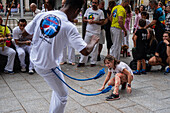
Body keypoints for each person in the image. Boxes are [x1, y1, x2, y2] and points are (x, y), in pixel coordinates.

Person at [22, 0, 99, 112]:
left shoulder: (42, 15)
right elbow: (86, 51)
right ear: (77, 11)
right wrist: (93, 41)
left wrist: (42, 38)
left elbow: (25, 33)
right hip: (47, 66)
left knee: (57, 90)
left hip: (37, 59)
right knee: (62, 96)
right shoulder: (68, 26)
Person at [77, 0, 104, 67]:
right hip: (88, 31)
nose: (94, 4)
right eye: (93, 2)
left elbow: (102, 22)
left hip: (96, 32)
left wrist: (95, 22)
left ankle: (93, 62)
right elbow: (84, 19)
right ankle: (82, 61)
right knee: (85, 46)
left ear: (98, 4)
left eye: (95, 3)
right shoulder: (88, 10)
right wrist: (88, 20)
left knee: (95, 47)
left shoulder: (100, 12)